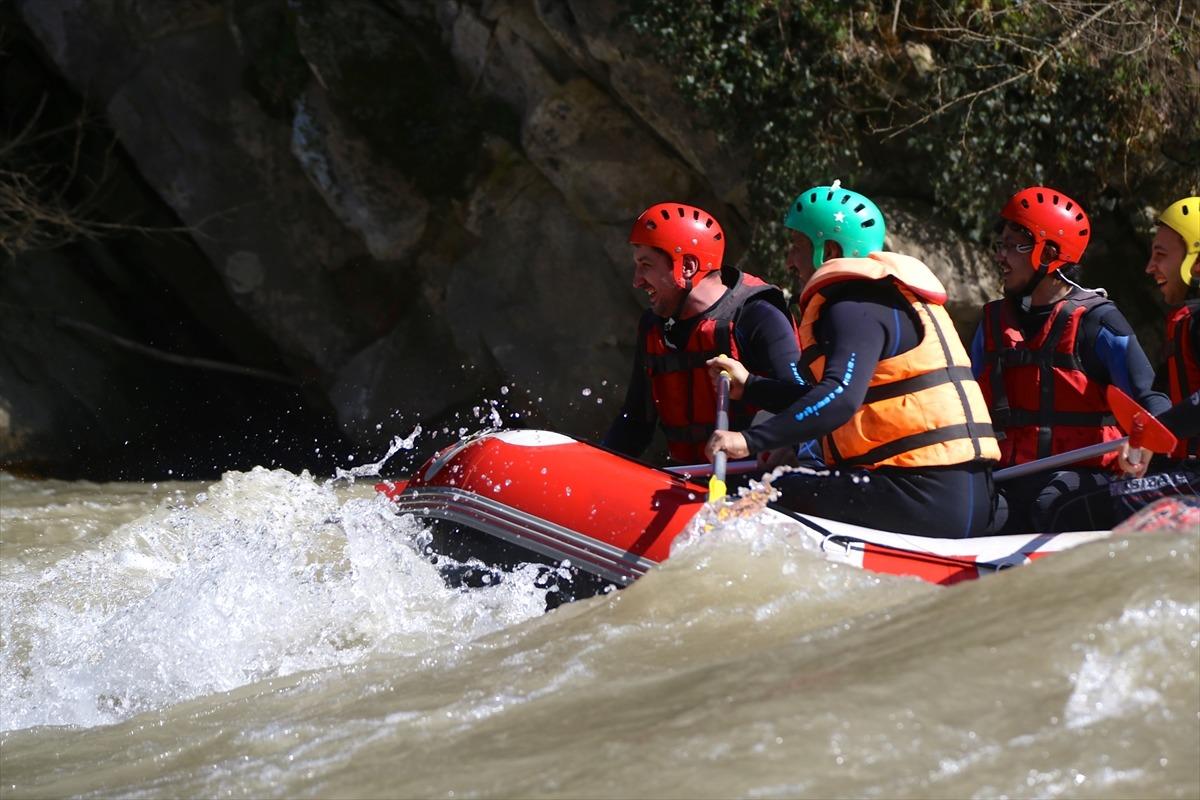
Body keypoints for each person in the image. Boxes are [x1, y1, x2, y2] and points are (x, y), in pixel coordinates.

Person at [705, 183, 1000, 538]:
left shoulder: (854, 306)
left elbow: (839, 400)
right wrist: (751, 387)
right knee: (783, 482)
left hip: (924, 495)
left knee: (766, 489)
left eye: (796, 246)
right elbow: (840, 400)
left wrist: (749, 441)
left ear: (827, 249)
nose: (788, 260)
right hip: (958, 493)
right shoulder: (877, 300)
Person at [970, 186, 1170, 532]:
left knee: (1050, 503)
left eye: (1012, 246)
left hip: (1084, 478)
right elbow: (962, 406)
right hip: (1007, 476)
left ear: (1047, 254)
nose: (1000, 257)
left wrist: (1146, 447)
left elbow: (1150, 399)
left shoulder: (1098, 321)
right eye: (999, 245)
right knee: (969, 509)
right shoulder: (991, 322)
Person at [603, 202, 803, 464]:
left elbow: (804, 403)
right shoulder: (653, 326)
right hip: (687, 481)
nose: (637, 280)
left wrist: (784, 441)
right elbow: (636, 423)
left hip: (753, 484)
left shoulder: (759, 316)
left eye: (646, 265)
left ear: (687, 266)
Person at [1110, 197, 1200, 512]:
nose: (1150, 267)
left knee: (1112, 502)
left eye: (1160, 255)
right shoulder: (1184, 322)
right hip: (1188, 470)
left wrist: (1152, 436)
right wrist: (1141, 443)